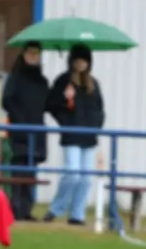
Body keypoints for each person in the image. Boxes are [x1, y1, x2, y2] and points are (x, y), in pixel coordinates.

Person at [43, 44, 105, 226]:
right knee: (72, 173)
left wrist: (96, 127)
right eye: (77, 60)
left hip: (89, 138)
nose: (81, 64)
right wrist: (64, 105)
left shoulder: (94, 84)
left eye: (84, 60)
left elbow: (100, 110)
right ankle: (56, 209)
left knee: (86, 178)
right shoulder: (63, 81)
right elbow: (51, 105)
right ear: (71, 61)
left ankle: (77, 214)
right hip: (71, 135)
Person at [1, 41, 49, 221]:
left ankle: (27, 209)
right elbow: (6, 100)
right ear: (24, 55)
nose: (33, 57)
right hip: (19, 132)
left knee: (31, 171)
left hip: (36, 133)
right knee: (18, 170)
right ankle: (16, 209)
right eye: (30, 53)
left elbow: (48, 104)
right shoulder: (15, 78)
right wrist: (20, 120)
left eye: (36, 54)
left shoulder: (42, 82)